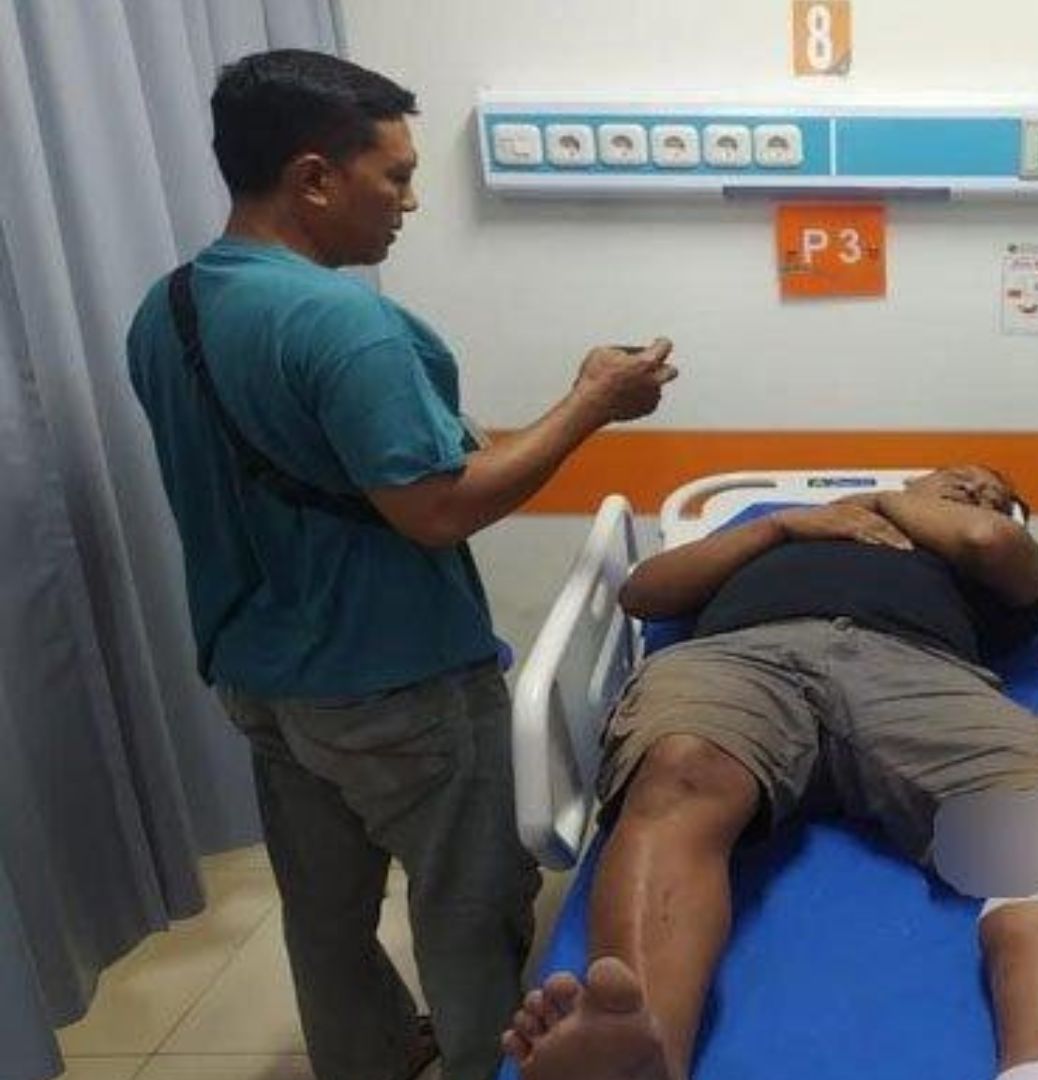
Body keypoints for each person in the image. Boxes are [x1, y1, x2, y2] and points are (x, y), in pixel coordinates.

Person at [124, 49, 680, 1080]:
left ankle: (368, 1059)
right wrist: (593, 404)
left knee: (324, 912)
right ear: (313, 178)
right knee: (470, 905)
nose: (411, 202)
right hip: (396, 684)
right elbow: (436, 507)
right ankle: (488, 1064)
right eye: (396, 176)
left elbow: (391, 461)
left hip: (263, 678)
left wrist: (567, 409)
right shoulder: (348, 326)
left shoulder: (171, 310)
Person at [499, 466, 1038, 1080]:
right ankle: (640, 1053)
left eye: (993, 492)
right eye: (962, 473)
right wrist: (781, 527)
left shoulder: (986, 561)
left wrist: (888, 501)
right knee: (681, 769)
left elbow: (985, 537)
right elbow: (644, 592)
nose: (975, 487)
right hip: (741, 656)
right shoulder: (782, 531)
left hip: (915, 668)